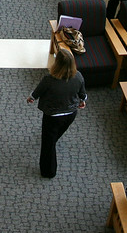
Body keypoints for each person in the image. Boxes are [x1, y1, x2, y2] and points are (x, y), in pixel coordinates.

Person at [27, 47, 86, 178]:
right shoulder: (78, 76)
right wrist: (82, 101)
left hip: (53, 116)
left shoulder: (49, 79)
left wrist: (31, 98)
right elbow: (82, 94)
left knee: (48, 144)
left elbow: (38, 91)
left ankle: (48, 171)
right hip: (71, 113)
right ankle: (53, 141)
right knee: (56, 133)